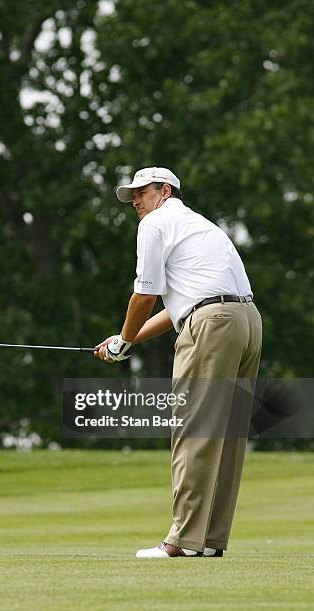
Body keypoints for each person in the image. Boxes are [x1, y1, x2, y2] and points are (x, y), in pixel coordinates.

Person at [94, 167, 262, 558]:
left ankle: (183, 541)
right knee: (227, 434)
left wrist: (122, 341)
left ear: (164, 190)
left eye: (142, 192)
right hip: (246, 321)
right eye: (131, 195)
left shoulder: (156, 223)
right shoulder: (198, 226)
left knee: (193, 430)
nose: (135, 200)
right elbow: (175, 308)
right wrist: (126, 339)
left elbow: (144, 295)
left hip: (212, 325)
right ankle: (209, 541)